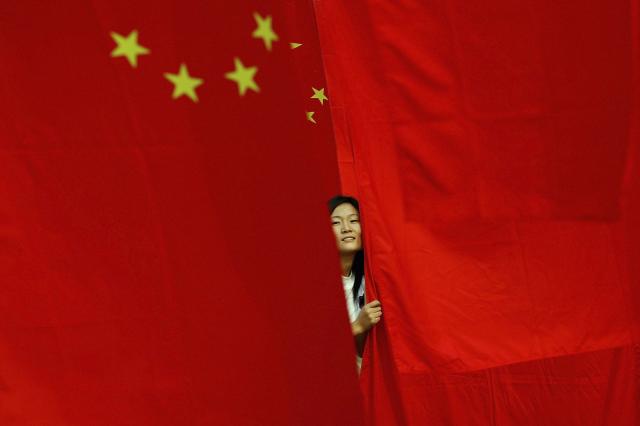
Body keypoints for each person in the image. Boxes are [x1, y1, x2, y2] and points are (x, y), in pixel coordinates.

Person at [328, 195, 382, 369]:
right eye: (336, 223)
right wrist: (358, 325)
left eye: (354, 220)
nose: (346, 229)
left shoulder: (367, 283)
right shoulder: (311, 285)